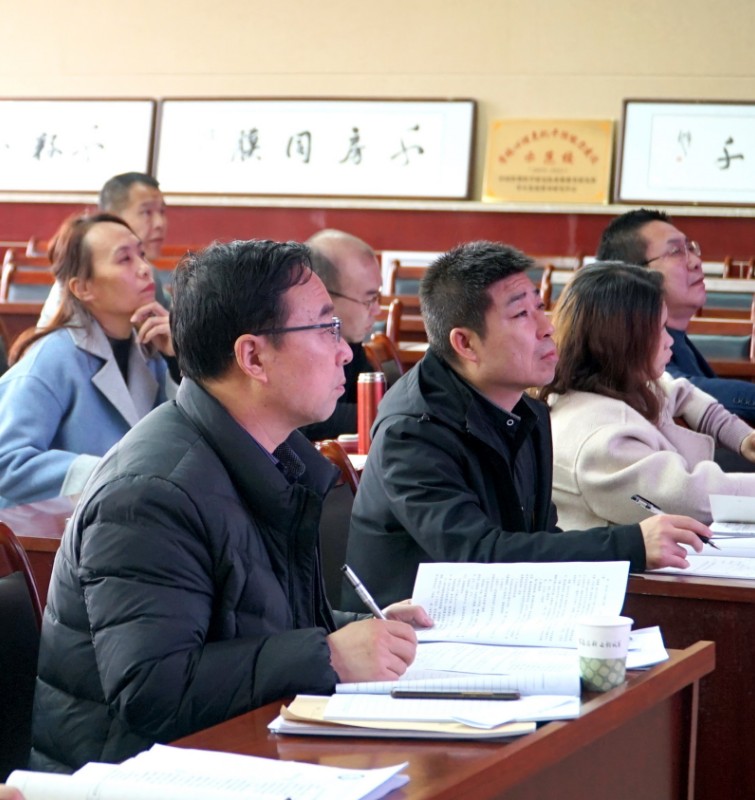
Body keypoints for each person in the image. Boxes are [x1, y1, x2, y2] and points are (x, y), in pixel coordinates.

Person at [30, 239, 430, 773]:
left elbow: (248, 621)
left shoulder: (268, 455)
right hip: (134, 775)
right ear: (253, 357)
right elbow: (152, 688)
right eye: (325, 328)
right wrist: (330, 654)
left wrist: (366, 630)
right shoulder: (150, 493)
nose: (344, 351)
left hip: (231, 754)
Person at [342, 241, 710, 611]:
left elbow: (538, 535)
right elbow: (477, 555)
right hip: (407, 634)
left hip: (499, 613)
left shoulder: (526, 410)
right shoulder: (412, 431)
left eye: (540, 307)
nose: (547, 328)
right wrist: (629, 544)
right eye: (521, 314)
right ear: (465, 343)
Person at [540, 263, 755, 529]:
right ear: (622, 340)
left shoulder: (612, 382)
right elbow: (691, 498)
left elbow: (678, 390)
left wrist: (741, 437)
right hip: (628, 554)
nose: (670, 341)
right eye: (661, 328)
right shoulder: (602, 439)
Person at [0, 213, 175, 508]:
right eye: (124, 259)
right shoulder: (54, 357)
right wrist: (107, 472)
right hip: (55, 531)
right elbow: (7, 460)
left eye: (142, 255)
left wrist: (177, 360)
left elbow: (178, 442)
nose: (145, 269)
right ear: (83, 288)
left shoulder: (150, 350)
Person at [596, 208, 755, 424]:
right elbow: (675, 388)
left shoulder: (675, 337)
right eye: (676, 251)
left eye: (690, 248)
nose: (696, 261)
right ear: (633, 275)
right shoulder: (634, 348)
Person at [39, 172, 170, 325]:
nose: (160, 223)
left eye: (162, 211)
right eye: (146, 212)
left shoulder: (148, 275)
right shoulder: (76, 287)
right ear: (111, 217)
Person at [300, 229, 383, 440]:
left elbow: (371, 403)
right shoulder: (295, 345)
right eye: (369, 299)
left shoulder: (349, 341)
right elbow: (309, 422)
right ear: (324, 294)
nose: (377, 310)